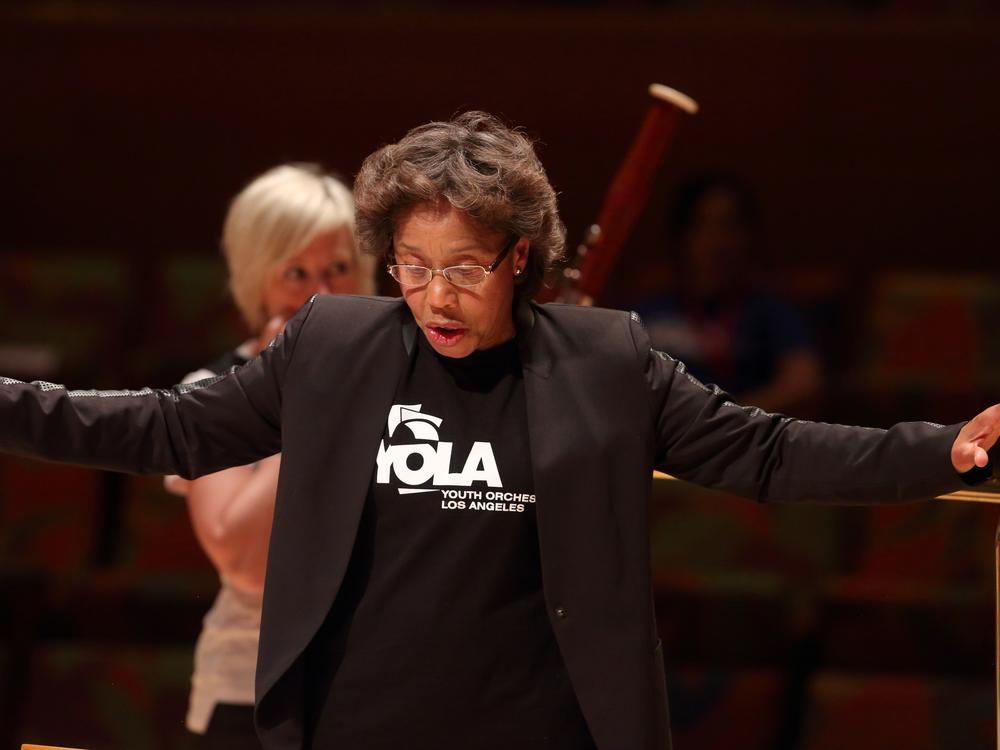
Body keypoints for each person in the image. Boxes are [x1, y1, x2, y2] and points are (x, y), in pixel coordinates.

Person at [0, 112, 997, 750]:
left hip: (538, 728)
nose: (435, 295)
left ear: (521, 259)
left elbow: (769, 454)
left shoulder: (602, 366)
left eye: (465, 267)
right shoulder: (334, 347)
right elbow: (169, 430)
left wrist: (937, 448)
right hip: (355, 726)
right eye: (411, 264)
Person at [162, 164, 375, 748]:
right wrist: (310, 400)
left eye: (338, 269)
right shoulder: (212, 390)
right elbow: (245, 564)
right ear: (258, 281)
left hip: (386, 687)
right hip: (254, 691)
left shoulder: (413, 381)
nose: (324, 295)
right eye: (296, 274)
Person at [632, 173, 822, 413]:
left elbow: (804, 384)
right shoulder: (646, 313)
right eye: (703, 226)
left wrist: (725, 421)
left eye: (729, 226)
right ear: (681, 238)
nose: (718, 243)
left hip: (744, 438)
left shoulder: (769, 311)